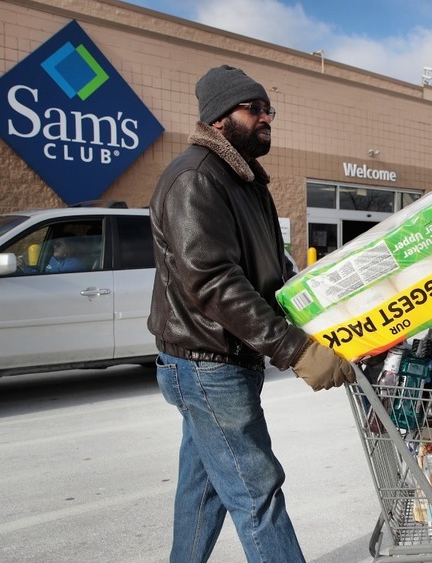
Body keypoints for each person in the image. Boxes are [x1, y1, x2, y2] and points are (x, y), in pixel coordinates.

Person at [147, 65, 355, 563]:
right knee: (255, 491)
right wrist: (295, 349)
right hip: (206, 362)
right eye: (254, 109)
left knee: (205, 488)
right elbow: (213, 281)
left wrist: (323, 315)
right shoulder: (196, 179)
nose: (267, 118)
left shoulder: (244, 180)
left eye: (269, 109)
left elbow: (269, 272)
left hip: (221, 359)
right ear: (219, 118)